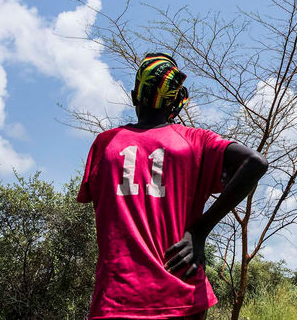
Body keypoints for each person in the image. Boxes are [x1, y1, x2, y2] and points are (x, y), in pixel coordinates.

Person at [77, 53, 268, 320]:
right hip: (182, 292)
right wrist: (200, 230)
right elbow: (256, 162)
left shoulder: (105, 144)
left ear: (135, 97)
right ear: (177, 102)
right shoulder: (194, 142)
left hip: (117, 297)